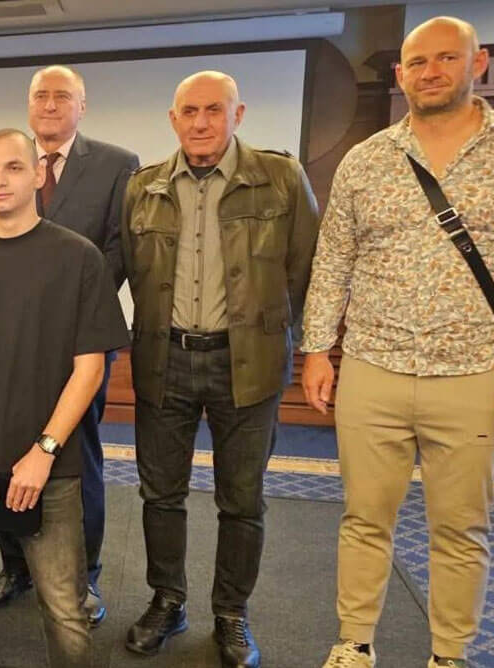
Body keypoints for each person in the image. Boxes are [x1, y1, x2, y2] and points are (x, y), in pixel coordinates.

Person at [303, 17, 493, 668]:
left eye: (447, 58)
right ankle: (354, 643)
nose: (431, 72)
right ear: (400, 74)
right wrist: (317, 350)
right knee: (363, 518)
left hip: (473, 371)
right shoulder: (366, 160)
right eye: (418, 62)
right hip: (373, 366)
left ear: (478, 64)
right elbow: (335, 259)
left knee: (461, 526)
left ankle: (449, 654)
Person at [120, 71, 319, 667]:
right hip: (165, 360)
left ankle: (232, 612)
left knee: (242, 498)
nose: (201, 122)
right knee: (161, 494)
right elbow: (130, 267)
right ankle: (168, 600)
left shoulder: (281, 178)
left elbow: (305, 267)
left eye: (214, 110)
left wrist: (277, 334)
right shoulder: (143, 187)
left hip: (248, 363)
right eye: (189, 111)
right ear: (173, 119)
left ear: (238, 115)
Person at [0, 128, 129, 668]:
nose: (0, 180)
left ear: (37, 175)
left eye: (13, 167)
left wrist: (44, 450)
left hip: (50, 471)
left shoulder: (79, 259)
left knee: (65, 610)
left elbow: (89, 368)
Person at [0, 64, 139, 626]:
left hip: (78, 344)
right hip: (6, 343)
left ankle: (82, 576)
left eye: (61, 96)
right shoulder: (5, 164)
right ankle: (16, 566)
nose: (49, 104)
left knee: (75, 457)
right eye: (40, 95)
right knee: (4, 450)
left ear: (81, 106)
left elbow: (119, 249)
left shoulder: (116, 164)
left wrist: (68, 310)